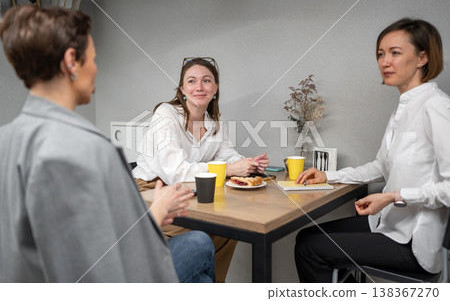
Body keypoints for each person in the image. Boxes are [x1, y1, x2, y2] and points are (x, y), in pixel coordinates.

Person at [0, 5, 215, 283]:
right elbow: (113, 258)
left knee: (201, 280)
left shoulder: (5, 139)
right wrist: (158, 211)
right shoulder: (90, 149)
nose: (95, 69)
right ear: (70, 62)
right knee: (199, 243)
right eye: (92, 58)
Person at [294, 18, 450, 282]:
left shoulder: (436, 106)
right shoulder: (403, 107)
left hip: (413, 243)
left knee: (311, 250)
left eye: (395, 53)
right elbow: (380, 166)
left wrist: (391, 197)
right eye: (380, 54)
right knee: (306, 236)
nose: (384, 62)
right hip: (388, 224)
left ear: (423, 57)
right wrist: (328, 176)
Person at [132, 57, 270, 282]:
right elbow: (175, 171)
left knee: (230, 229)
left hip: (188, 190)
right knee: (210, 230)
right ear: (182, 89)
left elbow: (227, 154)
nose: (199, 87)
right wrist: (230, 169)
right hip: (151, 192)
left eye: (206, 81)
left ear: (215, 88)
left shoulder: (215, 119)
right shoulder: (166, 114)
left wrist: (246, 164)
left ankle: (210, 283)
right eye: (191, 81)